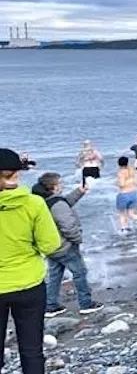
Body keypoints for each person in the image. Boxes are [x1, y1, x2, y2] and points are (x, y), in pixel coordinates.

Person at [0, 149, 62, 374]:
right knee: (32, 351)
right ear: (17, 173)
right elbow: (51, 245)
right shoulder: (34, 203)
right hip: (29, 283)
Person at [30, 173, 104, 318]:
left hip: (51, 247)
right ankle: (86, 303)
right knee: (80, 273)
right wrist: (77, 239)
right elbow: (67, 224)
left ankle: (51, 305)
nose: (62, 185)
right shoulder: (57, 205)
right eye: (60, 183)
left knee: (55, 275)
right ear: (54, 187)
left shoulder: (43, 201)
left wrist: (79, 192)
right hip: (65, 247)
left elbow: (64, 202)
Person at [116, 157, 137, 233]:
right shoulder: (132, 171)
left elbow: (122, 184)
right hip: (133, 193)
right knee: (131, 213)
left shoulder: (121, 172)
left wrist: (116, 183)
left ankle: (124, 229)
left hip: (124, 194)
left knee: (122, 214)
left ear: (119, 164)